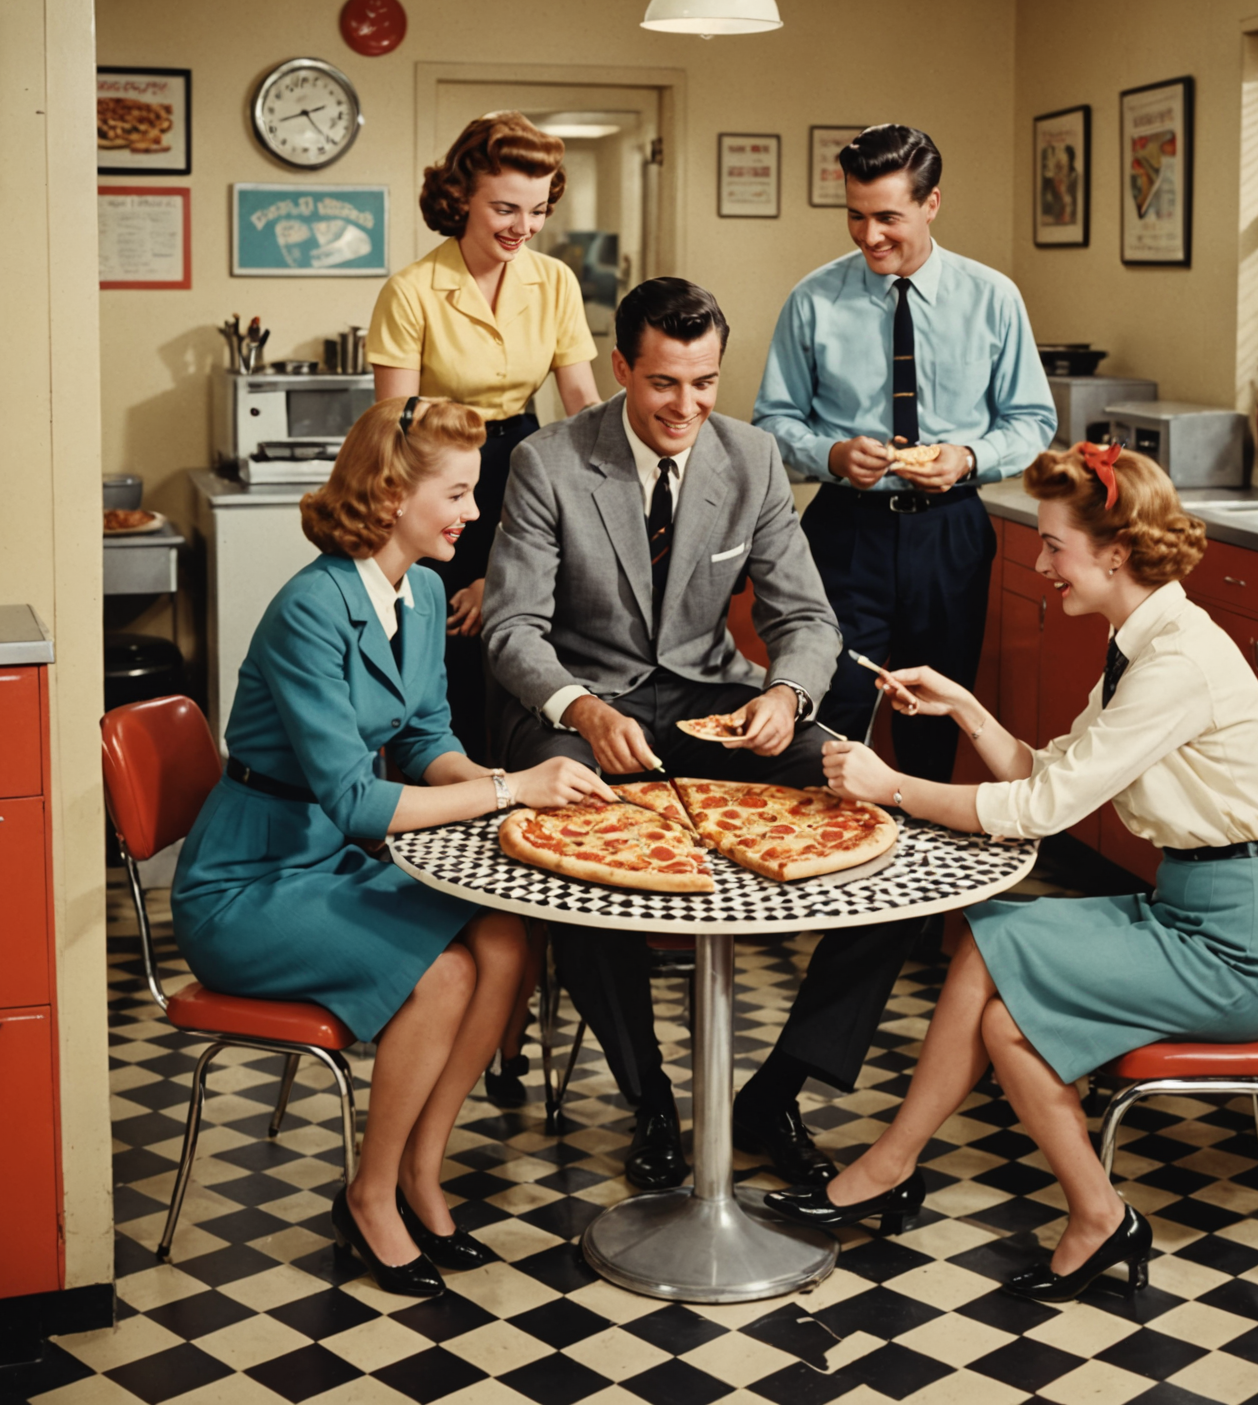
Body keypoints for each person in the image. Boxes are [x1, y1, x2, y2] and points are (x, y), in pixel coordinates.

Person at [768, 442, 1258, 1305]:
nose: (1041, 561)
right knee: (999, 983)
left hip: (1231, 948)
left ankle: (894, 1169)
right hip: (1190, 909)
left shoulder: (1176, 664)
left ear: (1114, 554)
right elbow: (1046, 774)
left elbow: (1042, 812)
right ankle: (1083, 1212)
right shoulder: (1144, 640)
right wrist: (965, 707)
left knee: (994, 963)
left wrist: (891, 786)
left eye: (1054, 544)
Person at [482, 277, 929, 1192]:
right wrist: (581, 709)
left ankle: (776, 1090)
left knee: (891, 839)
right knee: (576, 861)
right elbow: (510, 629)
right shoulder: (548, 460)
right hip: (585, 703)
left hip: (714, 705)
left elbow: (808, 619)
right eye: (663, 384)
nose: (686, 406)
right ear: (620, 370)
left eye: (704, 383)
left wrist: (788, 697)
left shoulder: (753, 458)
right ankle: (648, 1098)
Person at [171, 397, 611, 1299]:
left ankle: (422, 1169)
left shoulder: (414, 591)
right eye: (456, 492)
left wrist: (505, 791)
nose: (473, 513)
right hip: (245, 885)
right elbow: (352, 798)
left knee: (504, 936)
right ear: (392, 492)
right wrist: (510, 789)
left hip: (325, 858)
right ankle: (371, 1195)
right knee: (445, 973)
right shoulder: (312, 609)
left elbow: (420, 741)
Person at [754, 123, 1057, 782]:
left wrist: (970, 458)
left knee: (932, 714)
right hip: (842, 532)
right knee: (827, 713)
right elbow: (771, 421)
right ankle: (815, 862)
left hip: (950, 535)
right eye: (856, 217)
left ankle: (921, 873)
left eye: (887, 217)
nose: (869, 237)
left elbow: (1032, 420)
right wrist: (831, 455)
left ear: (931, 204)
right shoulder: (813, 300)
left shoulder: (993, 298)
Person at [368, 111, 600, 761]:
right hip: (430, 474)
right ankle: (437, 811)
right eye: (504, 208)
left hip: (524, 465)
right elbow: (397, 427)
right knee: (444, 653)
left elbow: (580, 401)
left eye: (536, 209)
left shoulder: (554, 280)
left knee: (522, 642)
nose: (521, 228)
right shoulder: (411, 292)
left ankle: (517, 808)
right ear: (460, 197)